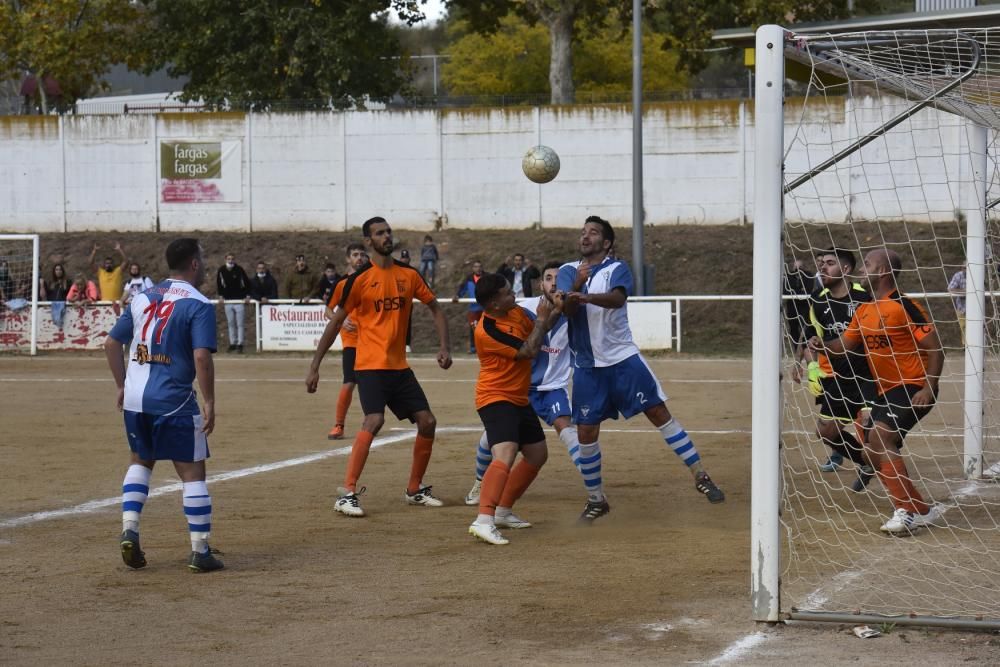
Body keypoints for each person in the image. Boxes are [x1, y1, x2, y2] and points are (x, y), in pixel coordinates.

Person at [556, 216, 725, 522]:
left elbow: (618, 299)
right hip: (587, 366)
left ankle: (700, 475)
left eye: (593, 232)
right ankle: (596, 500)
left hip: (623, 359)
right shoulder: (569, 271)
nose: (585, 236)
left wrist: (586, 296)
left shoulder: (616, 268)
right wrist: (577, 287)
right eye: (583, 232)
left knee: (659, 414)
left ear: (606, 243)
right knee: (585, 432)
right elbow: (566, 309)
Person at [306, 217, 453, 517]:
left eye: (388, 232)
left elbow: (436, 308)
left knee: (428, 422)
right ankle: (347, 494)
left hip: (399, 368)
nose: (386, 236)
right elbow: (335, 321)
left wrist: (444, 347)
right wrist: (315, 365)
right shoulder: (359, 280)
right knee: (374, 421)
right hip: (370, 365)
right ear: (367, 242)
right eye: (379, 233)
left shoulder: (408, 275)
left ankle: (414, 489)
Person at [103, 237, 223, 572]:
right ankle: (200, 551)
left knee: (141, 461)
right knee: (192, 472)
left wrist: (120, 385)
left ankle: (129, 529)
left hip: (136, 398)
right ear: (195, 264)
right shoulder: (199, 304)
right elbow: (201, 356)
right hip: (174, 399)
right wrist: (210, 400)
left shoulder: (143, 296)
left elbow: (112, 343)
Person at [810, 248, 945, 535]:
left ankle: (905, 511)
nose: (862, 270)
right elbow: (843, 345)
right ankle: (922, 510)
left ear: (882, 271)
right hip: (887, 391)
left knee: (881, 436)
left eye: (867, 265)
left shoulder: (904, 306)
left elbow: (935, 349)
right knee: (872, 453)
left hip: (913, 386)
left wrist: (928, 386)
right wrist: (822, 345)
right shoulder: (864, 310)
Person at [464, 261, 582, 506]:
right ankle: (482, 497)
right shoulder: (513, 313)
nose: (554, 283)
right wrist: (542, 318)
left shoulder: (568, 308)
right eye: (549, 278)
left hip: (547, 387)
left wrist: (559, 309)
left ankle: (593, 487)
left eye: (559, 279)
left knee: (549, 443)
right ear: (541, 284)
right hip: (509, 391)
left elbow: (547, 325)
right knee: (498, 445)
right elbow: (529, 349)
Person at [792, 249, 876, 491]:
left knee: (874, 431)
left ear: (846, 269)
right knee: (826, 432)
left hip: (871, 374)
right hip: (841, 376)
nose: (822, 268)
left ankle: (903, 499)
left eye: (830, 263)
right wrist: (803, 363)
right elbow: (808, 334)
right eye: (820, 263)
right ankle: (866, 462)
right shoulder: (818, 299)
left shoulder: (865, 297)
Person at [326, 243, 369, 440]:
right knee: (349, 382)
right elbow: (328, 310)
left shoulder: (372, 279)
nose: (359, 258)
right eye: (355, 255)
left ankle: (370, 422)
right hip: (352, 342)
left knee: (371, 383)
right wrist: (341, 320)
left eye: (362, 254)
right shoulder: (342, 284)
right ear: (348, 259)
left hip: (372, 340)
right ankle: (338, 425)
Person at [216, 253, 251, 353]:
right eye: (228, 259)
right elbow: (219, 284)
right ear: (225, 259)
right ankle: (232, 343)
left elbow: (246, 283)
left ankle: (240, 344)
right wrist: (221, 296)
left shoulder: (239, 269)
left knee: (240, 324)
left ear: (234, 260)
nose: (230, 260)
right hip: (228, 301)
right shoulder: (221, 270)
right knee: (231, 323)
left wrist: (247, 295)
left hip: (239, 300)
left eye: (232, 259)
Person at [453, 260, 485, 354]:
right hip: (473, 309)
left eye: (479, 266)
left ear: (482, 268)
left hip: (485, 308)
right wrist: (457, 296)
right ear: (473, 268)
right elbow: (462, 290)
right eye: (476, 266)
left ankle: (486, 348)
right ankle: (473, 348)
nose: (478, 268)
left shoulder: (487, 277)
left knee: (486, 329)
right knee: (474, 329)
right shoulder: (469, 279)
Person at [784, 258, 815, 349]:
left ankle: (806, 347)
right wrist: (798, 291)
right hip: (792, 307)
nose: (797, 269)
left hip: (805, 306)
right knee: (793, 329)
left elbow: (808, 290)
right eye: (795, 266)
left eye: (800, 267)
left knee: (805, 328)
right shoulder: (788, 276)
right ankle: (796, 348)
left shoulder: (808, 275)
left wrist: (795, 291)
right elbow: (786, 291)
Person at [41, 263, 71, 329]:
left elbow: (70, 294)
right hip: (52, 307)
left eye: (60, 269)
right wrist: (42, 285)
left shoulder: (68, 282)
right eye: (56, 270)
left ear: (62, 271)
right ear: (54, 272)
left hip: (64, 308)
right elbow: (45, 295)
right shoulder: (50, 283)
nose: (58, 271)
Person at [948, 265, 966, 345]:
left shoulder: (979, 274)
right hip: (962, 307)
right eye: (965, 267)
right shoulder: (958, 275)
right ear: (962, 268)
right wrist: (964, 291)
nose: (966, 269)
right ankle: (965, 346)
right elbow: (950, 289)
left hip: (976, 307)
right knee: (963, 326)